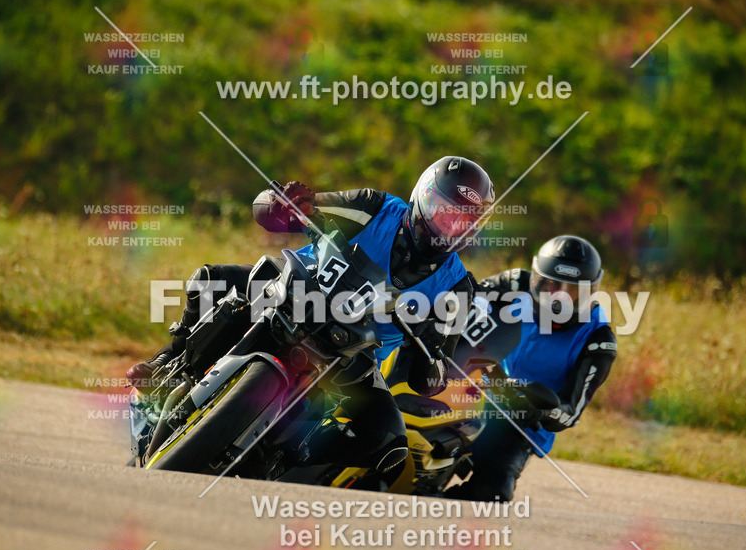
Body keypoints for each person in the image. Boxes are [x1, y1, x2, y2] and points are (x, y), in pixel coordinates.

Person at [126, 156, 495, 475]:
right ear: (422, 198)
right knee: (210, 280)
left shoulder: (458, 287)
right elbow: (277, 211)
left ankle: (285, 460)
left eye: (461, 221)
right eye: (443, 211)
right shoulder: (375, 207)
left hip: (355, 353)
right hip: (298, 290)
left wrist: (431, 355)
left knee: (388, 442)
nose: (448, 226)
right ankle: (168, 361)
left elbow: (432, 375)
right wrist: (282, 205)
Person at [448, 235, 617, 501]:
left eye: (572, 290)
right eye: (552, 284)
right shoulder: (515, 284)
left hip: (517, 423)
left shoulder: (598, 340)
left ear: (591, 293)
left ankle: (436, 506)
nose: (559, 298)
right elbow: (464, 299)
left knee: (493, 493)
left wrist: (538, 408)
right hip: (466, 386)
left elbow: (571, 412)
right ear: (536, 279)